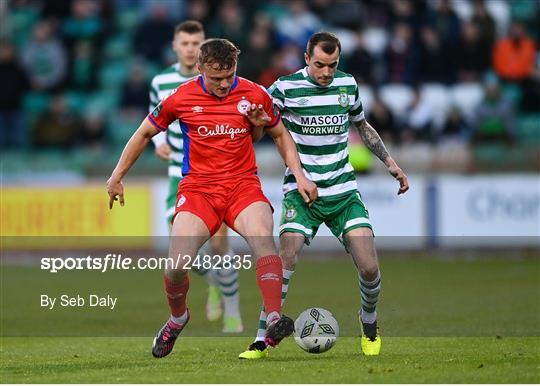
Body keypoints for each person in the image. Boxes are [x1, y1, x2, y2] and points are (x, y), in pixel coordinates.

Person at [106, 38, 318, 358]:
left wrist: (300, 174)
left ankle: (274, 317)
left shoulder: (253, 93)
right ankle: (178, 318)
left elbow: (279, 133)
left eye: (229, 75)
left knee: (263, 239)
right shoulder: (181, 97)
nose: (223, 83)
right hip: (199, 190)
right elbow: (144, 133)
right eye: (216, 77)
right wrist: (117, 175)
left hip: (242, 186)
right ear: (201, 68)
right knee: (176, 267)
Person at [239, 32, 409, 360]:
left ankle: (369, 320)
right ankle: (262, 341)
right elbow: (261, 129)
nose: (326, 72)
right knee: (285, 260)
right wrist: (257, 125)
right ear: (306, 59)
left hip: (343, 191)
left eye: (332, 65)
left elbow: (362, 126)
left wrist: (390, 162)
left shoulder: (348, 85)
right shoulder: (285, 88)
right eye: (320, 65)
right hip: (302, 192)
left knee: (370, 268)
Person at [148, 20, 243, 334]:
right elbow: (153, 121)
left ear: (204, 49)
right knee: (182, 256)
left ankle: (232, 310)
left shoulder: (221, 82)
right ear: (176, 46)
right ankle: (214, 282)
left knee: (219, 246)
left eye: (196, 44)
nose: (190, 49)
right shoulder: (161, 81)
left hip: (218, 176)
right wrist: (160, 144)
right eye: (185, 43)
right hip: (180, 173)